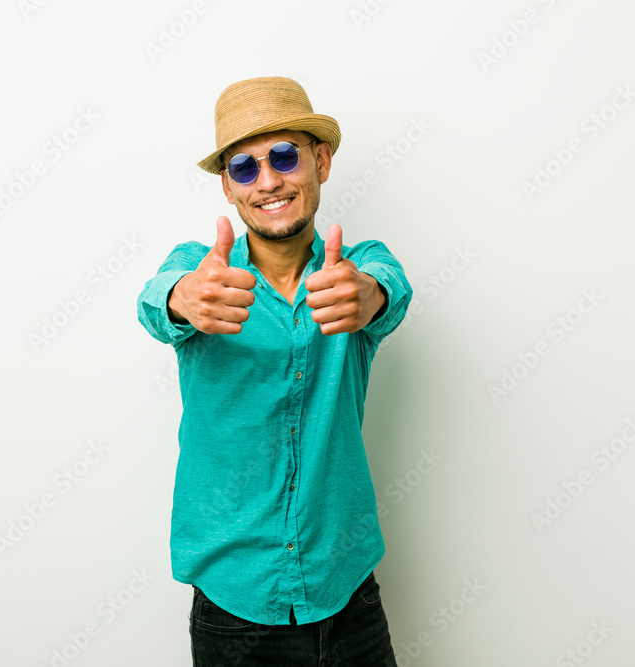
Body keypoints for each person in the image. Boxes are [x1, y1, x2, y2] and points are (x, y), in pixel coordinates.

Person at [137, 76, 412, 666]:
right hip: (236, 609)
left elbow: (389, 289)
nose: (268, 181)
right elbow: (157, 302)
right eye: (244, 167)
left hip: (348, 594)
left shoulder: (358, 268)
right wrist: (183, 298)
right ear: (228, 188)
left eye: (285, 157)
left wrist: (368, 296)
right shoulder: (201, 272)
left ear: (321, 162)